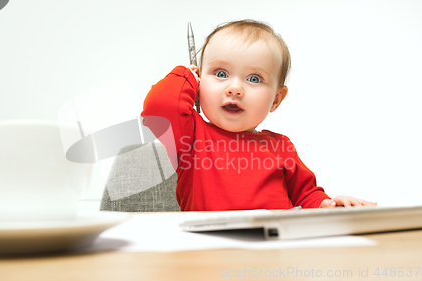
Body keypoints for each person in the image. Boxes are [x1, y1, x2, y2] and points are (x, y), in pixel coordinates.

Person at [141, 19, 376, 211]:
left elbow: (306, 196)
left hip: (274, 251)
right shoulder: (190, 136)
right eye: (220, 73)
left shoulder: (281, 146)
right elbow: (158, 107)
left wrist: (329, 205)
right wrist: (187, 75)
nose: (234, 88)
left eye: (254, 79)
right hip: (211, 251)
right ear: (200, 84)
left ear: (276, 99)